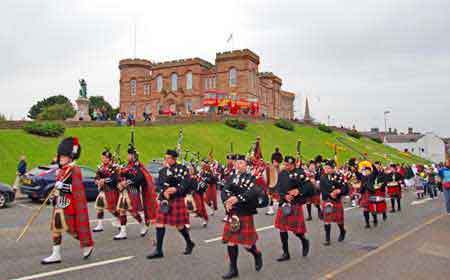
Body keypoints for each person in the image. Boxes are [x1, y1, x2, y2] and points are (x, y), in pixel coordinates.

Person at [41, 137, 94, 264]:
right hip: (60, 202)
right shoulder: (63, 170)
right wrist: (54, 195)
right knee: (56, 228)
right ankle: (56, 254)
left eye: (63, 156)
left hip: (69, 204)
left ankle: (86, 244)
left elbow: (75, 188)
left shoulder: (74, 170)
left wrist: (62, 186)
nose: (61, 158)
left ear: (70, 157)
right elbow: (59, 186)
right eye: (61, 156)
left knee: (71, 229)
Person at [147, 149, 195, 259]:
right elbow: (157, 185)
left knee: (179, 226)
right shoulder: (162, 170)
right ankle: (159, 250)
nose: (165, 160)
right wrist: (163, 191)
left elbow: (186, 184)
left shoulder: (182, 170)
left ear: (173, 159)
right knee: (159, 223)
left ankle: (189, 242)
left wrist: (175, 189)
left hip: (176, 200)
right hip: (165, 201)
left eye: (167, 158)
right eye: (165, 158)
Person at [221, 154, 263, 279]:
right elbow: (224, 191)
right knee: (231, 242)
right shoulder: (231, 177)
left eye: (241, 163)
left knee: (247, 245)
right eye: (237, 163)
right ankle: (233, 269)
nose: (238, 165)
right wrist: (226, 202)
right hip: (233, 213)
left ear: (246, 165)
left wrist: (237, 198)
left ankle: (256, 254)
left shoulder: (252, 177)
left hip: (245, 212)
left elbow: (253, 192)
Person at [115, 144, 157, 240]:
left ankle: (143, 224)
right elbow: (120, 175)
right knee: (122, 210)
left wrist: (127, 182)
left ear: (133, 156)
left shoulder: (138, 166)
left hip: (133, 191)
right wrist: (119, 182)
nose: (127, 156)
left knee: (133, 212)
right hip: (124, 191)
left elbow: (140, 178)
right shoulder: (126, 165)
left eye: (129, 155)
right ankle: (123, 232)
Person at [274, 156, 311, 262]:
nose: (286, 166)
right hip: (284, 204)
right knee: (282, 228)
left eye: (289, 165)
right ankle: (286, 253)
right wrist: (284, 196)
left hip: (295, 204)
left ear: (294, 165)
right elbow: (279, 188)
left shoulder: (300, 172)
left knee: (296, 231)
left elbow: (309, 186)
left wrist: (298, 191)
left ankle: (304, 240)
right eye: (285, 164)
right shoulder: (282, 173)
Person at [320, 160, 348, 246]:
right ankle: (327, 239)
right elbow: (322, 190)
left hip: (336, 201)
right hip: (327, 200)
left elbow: (345, 189)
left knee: (339, 220)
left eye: (328, 168)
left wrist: (339, 190)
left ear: (333, 169)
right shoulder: (323, 177)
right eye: (326, 168)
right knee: (327, 221)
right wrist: (330, 194)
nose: (326, 169)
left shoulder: (339, 176)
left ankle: (342, 230)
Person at [92, 149, 120, 233]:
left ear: (109, 159)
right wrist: (97, 181)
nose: (103, 159)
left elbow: (114, 178)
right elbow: (96, 176)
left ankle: (120, 218)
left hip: (111, 190)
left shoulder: (114, 167)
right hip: (103, 191)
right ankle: (100, 225)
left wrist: (103, 180)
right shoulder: (101, 167)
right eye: (102, 158)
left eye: (105, 158)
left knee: (111, 208)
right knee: (99, 207)